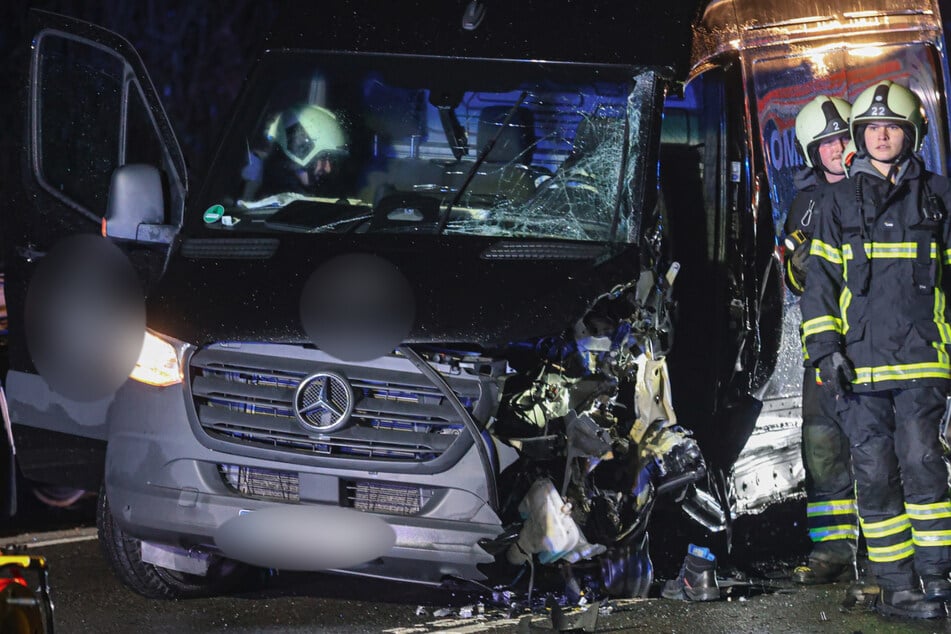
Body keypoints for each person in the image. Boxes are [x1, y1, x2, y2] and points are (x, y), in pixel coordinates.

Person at [802, 80, 951, 619]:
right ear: (859, 137)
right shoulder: (834, 202)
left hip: (923, 361)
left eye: (892, 127)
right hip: (859, 369)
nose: (882, 135)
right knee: (876, 474)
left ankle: (937, 580)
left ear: (911, 134)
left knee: (924, 465)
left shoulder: (938, 195)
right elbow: (816, 282)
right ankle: (895, 585)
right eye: (871, 128)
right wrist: (825, 351)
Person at [783, 95, 859, 586]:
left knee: (877, 450)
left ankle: (883, 554)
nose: (837, 148)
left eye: (843, 137)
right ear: (813, 150)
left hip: (869, 344)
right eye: (827, 142)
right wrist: (798, 266)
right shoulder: (805, 205)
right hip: (821, 349)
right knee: (823, 448)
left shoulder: (875, 190)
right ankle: (833, 550)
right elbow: (790, 280)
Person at [245, 103, 349, 199]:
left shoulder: (323, 195)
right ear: (299, 150)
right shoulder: (254, 184)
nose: (328, 168)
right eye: (322, 158)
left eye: (331, 159)